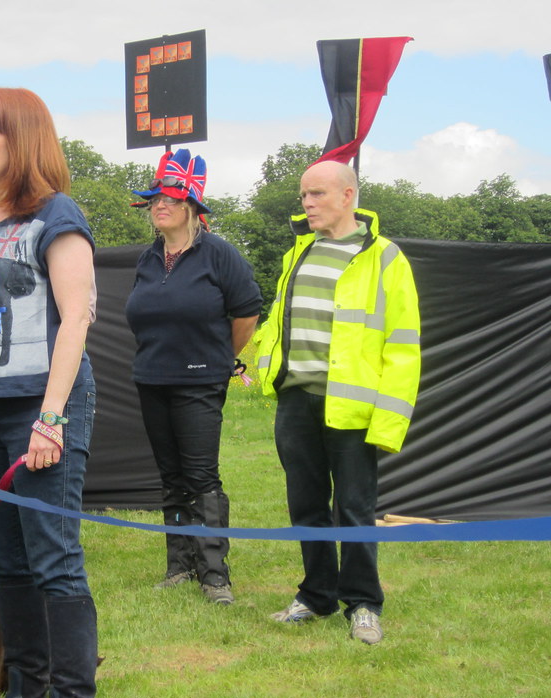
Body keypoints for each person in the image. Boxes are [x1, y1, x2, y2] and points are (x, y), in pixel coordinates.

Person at [0, 87, 99, 698]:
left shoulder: (57, 216)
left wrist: (51, 417)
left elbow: (77, 317)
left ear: (26, 138)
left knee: (53, 559)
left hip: (44, 407)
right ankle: (25, 697)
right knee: (5, 561)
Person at [256, 160, 421, 645]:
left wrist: (388, 422)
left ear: (348, 196)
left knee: (354, 508)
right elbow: (280, 319)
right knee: (305, 505)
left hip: (352, 409)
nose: (307, 204)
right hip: (296, 402)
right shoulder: (298, 252)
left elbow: (403, 344)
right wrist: (266, 366)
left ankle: (365, 603)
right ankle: (315, 596)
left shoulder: (386, 258)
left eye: (318, 194)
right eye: (304, 195)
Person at [126, 149, 262, 605]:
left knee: (202, 475)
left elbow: (246, 312)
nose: (158, 206)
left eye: (168, 199)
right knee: (171, 477)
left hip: (200, 381)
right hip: (152, 378)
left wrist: (221, 358)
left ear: (191, 207)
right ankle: (178, 564)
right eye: (154, 200)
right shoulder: (147, 259)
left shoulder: (219, 254)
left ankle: (214, 573)